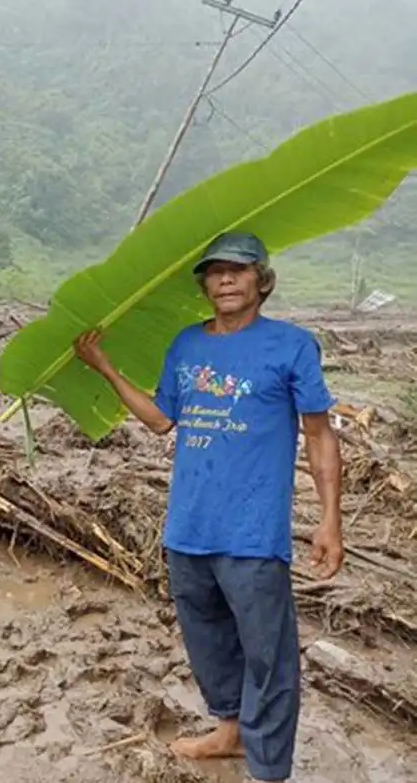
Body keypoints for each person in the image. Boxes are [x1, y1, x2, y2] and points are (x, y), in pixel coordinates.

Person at [72, 231, 344, 783]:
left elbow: (319, 435)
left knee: (268, 653)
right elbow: (159, 420)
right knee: (207, 637)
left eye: (238, 271)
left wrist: (329, 520)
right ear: (204, 283)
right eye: (215, 271)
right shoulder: (186, 345)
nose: (225, 279)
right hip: (188, 527)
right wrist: (104, 367)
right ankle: (230, 730)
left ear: (260, 281)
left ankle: (268, 769)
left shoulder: (291, 345)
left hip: (253, 530)